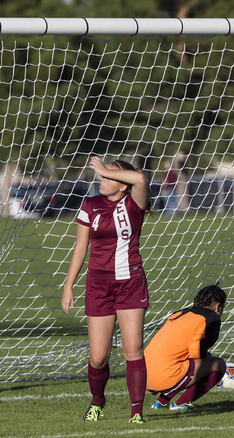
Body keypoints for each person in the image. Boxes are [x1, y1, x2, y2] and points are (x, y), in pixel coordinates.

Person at [62, 156, 152, 424]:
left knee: (133, 350)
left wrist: (103, 167)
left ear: (123, 184)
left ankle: (137, 412)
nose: (101, 179)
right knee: (99, 357)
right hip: (98, 285)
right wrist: (68, 286)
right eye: (100, 176)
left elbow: (140, 178)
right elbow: (81, 247)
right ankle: (98, 401)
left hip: (130, 283)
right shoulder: (90, 205)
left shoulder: (135, 202)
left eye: (108, 176)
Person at [145, 285, 227, 411]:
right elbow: (195, 351)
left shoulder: (181, 312)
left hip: (144, 373)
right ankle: (181, 404)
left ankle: (160, 403)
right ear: (217, 306)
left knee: (190, 363)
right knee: (218, 364)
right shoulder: (211, 317)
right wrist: (206, 358)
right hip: (164, 374)